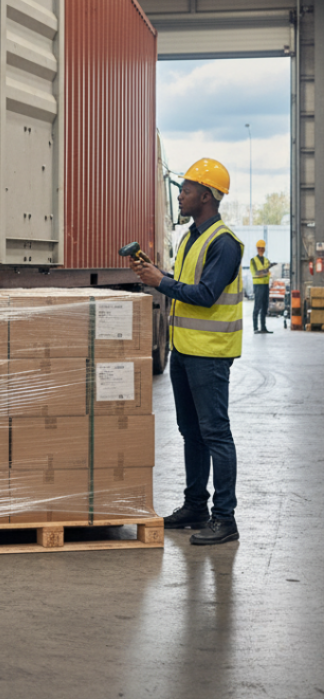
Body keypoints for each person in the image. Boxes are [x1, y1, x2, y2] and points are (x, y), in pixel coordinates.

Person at [132, 158, 243, 546]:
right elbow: (187, 284)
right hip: (184, 349)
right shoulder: (191, 237)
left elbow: (207, 295)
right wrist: (159, 274)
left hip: (210, 354)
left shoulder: (224, 243)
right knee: (190, 431)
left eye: (187, 190)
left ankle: (224, 518)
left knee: (215, 432)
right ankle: (195, 505)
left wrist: (161, 282)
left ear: (207, 197)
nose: (180, 195)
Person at [250, 240, 273, 334]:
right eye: (259, 248)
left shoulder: (267, 261)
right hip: (258, 286)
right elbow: (256, 273)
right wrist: (266, 271)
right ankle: (255, 328)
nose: (261, 250)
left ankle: (263, 327)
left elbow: (266, 272)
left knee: (265, 306)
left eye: (262, 248)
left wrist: (267, 270)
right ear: (257, 249)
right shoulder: (253, 261)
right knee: (257, 306)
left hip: (265, 285)